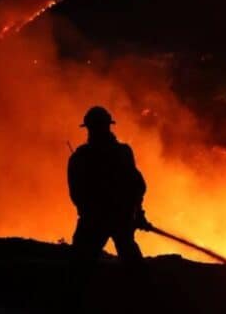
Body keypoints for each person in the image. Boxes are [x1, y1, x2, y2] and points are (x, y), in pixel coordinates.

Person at [67, 106, 149, 310]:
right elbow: (137, 185)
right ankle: (144, 302)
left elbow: (77, 193)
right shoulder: (120, 153)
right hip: (115, 218)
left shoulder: (81, 157)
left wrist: (137, 213)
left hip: (96, 221)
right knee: (129, 261)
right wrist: (136, 213)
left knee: (80, 267)